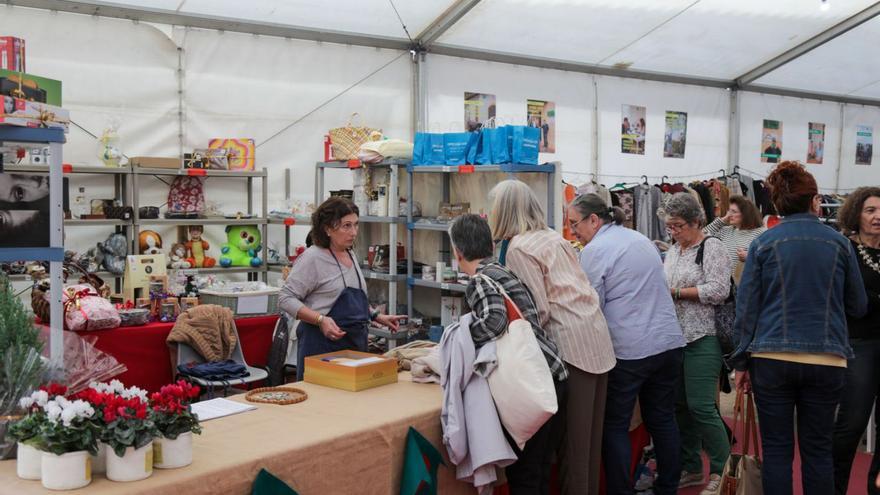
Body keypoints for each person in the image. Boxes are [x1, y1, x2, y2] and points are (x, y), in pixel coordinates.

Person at [731, 161, 867, 495]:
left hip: (772, 358)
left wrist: (740, 362)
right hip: (827, 358)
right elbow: (858, 306)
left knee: (777, 450)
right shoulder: (840, 244)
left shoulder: (763, 244)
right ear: (814, 200)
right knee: (817, 451)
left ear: (777, 204)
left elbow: (747, 307)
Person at [489, 179, 616, 495]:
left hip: (570, 347)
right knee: (587, 446)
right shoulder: (552, 237)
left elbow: (538, 312)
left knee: (572, 447)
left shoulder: (519, 248)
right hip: (596, 340)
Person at [568, 193, 686, 495]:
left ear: (594, 220)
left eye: (574, 224)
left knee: (615, 424)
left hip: (632, 349)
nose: (572, 232)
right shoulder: (638, 238)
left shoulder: (594, 250)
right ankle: (668, 486)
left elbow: (591, 306)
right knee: (662, 418)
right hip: (668, 343)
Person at [448, 213, 568, 494]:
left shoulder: (479, 281)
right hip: (552, 375)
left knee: (524, 474)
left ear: (458, 251)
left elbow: (494, 321)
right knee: (537, 470)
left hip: (529, 386)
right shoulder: (502, 272)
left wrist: (461, 337)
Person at [278, 197, 403, 381]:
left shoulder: (350, 253)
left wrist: (376, 316)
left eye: (356, 225)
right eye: (346, 226)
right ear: (328, 228)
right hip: (321, 346)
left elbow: (352, 297)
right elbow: (285, 298)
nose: (353, 232)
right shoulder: (313, 258)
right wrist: (320, 320)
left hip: (354, 344)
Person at [662, 192, 732, 495]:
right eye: (669, 226)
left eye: (678, 226)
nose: (673, 232)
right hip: (675, 338)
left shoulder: (712, 247)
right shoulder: (674, 250)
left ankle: (722, 469)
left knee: (702, 406)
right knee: (679, 406)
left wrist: (677, 293)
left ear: (695, 222)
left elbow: (719, 290)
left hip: (704, 337)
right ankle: (691, 466)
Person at [833, 187, 880, 494]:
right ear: (856, 214)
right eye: (870, 210)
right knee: (851, 425)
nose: (878, 217)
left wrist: (870, 299)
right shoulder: (844, 249)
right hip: (859, 344)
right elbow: (844, 301)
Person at [703, 195, 765, 283]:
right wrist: (722, 220)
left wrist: (750, 256)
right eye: (729, 210)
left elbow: (770, 258)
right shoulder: (725, 231)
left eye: (734, 212)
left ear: (745, 214)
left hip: (752, 287)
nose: (729, 214)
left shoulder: (761, 233)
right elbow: (701, 236)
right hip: (729, 288)